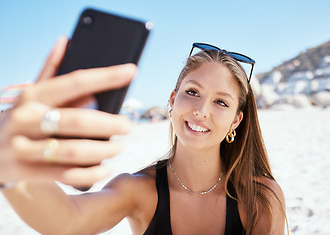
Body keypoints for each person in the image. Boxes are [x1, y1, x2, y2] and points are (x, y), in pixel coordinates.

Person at [0, 37, 286, 235]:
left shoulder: (259, 197)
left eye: (221, 102)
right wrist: (9, 166)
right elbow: (67, 220)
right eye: (192, 92)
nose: (201, 110)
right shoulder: (139, 190)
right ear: (173, 99)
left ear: (237, 119)